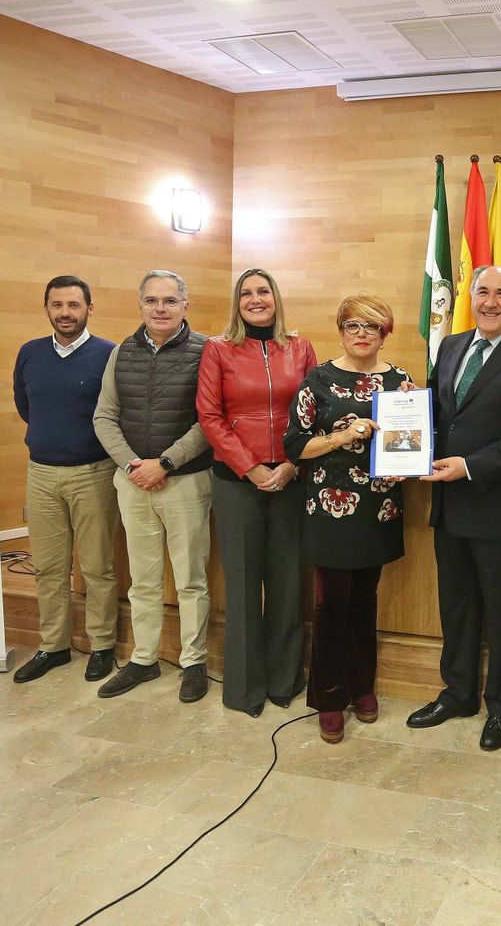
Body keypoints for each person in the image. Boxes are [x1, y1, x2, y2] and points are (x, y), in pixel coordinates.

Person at [408, 265, 501, 752]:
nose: (491, 301)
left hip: (500, 509)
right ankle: (458, 694)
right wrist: (411, 409)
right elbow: (441, 412)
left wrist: (469, 466)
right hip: (449, 507)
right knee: (456, 608)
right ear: (469, 299)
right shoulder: (451, 346)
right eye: (482, 293)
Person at [283, 295, 409, 743]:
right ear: (340, 330)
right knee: (331, 606)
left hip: (378, 508)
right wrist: (341, 436)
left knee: (364, 603)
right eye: (353, 325)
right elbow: (295, 447)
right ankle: (330, 698)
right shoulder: (318, 380)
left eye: (372, 327)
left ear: (384, 334)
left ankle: (363, 687)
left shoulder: (400, 382)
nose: (362, 334)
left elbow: (412, 440)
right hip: (329, 510)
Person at [196, 268, 316, 718]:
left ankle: (285, 680)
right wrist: (250, 468)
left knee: (286, 584)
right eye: (246, 293)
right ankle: (244, 688)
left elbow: (312, 411)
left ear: (276, 298)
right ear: (237, 302)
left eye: (263, 291)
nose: (255, 299)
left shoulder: (300, 348)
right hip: (236, 483)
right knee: (243, 587)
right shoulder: (218, 349)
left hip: (289, 480)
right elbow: (210, 416)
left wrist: (289, 464)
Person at [91, 270, 213, 703]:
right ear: (139, 304)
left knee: (190, 580)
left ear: (185, 304)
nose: (160, 308)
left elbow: (209, 421)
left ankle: (193, 661)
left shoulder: (206, 351)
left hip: (186, 481)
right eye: (151, 301)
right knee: (142, 581)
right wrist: (131, 465)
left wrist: (164, 463)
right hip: (132, 482)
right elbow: (104, 416)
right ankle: (143, 659)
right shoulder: (121, 351)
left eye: (169, 301)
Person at [11, 275, 121, 684]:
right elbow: (26, 406)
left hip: (92, 473)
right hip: (40, 473)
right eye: (57, 305)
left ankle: (103, 645)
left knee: (96, 567)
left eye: (74, 305)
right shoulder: (30, 353)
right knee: (49, 568)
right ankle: (53, 646)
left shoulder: (109, 354)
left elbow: (115, 413)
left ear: (89, 309)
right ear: (47, 309)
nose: (65, 313)